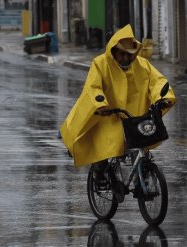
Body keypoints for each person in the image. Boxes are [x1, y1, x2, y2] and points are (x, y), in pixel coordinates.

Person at [59, 24, 176, 185]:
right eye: (122, 54)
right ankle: (99, 172)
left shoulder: (142, 65)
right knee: (104, 149)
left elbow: (157, 82)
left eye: (129, 55)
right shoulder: (100, 64)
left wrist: (164, 97)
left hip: (135, 118)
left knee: (142, 146)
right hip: (108, 116)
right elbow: (93, 87)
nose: (126, 58)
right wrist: (101, 104)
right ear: (113, 50)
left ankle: (142, 180)